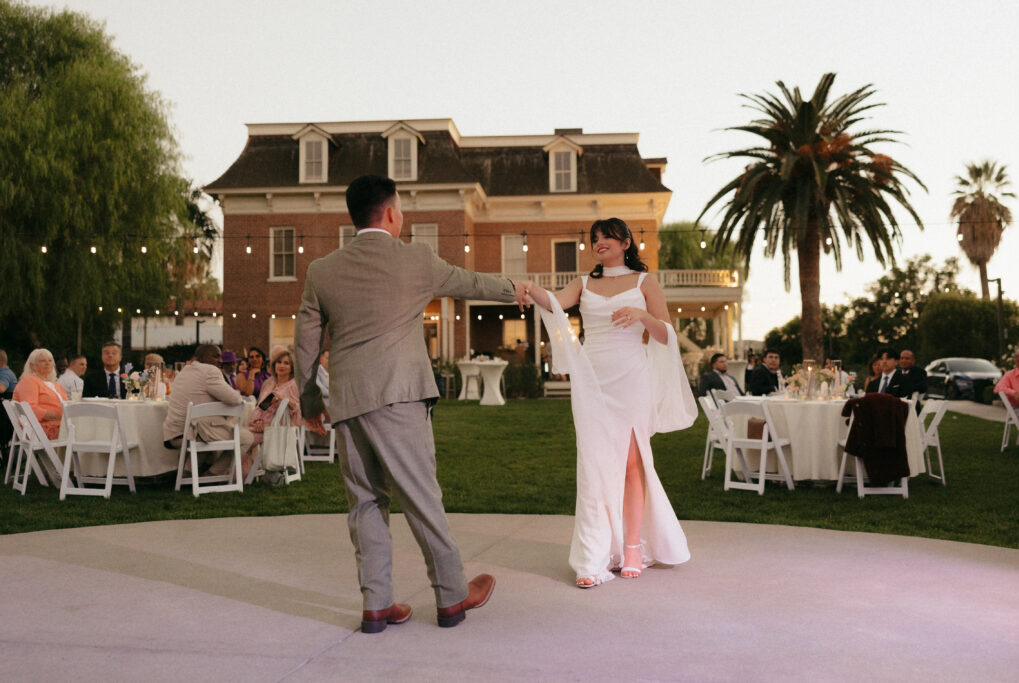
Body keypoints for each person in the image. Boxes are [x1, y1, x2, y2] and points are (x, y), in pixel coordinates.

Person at [294, 174, 530, 633]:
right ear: (389, 213)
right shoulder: (416, 259)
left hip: (348, 403)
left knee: (365, 503)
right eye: (400, 209)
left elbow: (306, 345)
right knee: (421, 498)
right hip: (399, 396)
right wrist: (514, 290)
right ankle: (452, 595)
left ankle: (376, 605)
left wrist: (310, 402)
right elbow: (469, 283)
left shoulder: (322, 271)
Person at [526, 217, 696, 589]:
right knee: (593, 463)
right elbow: (554, 302)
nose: (600, 241)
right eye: (595, 238)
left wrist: (643, 315)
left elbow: (667, 334)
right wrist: (526, 287)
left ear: (626, 242)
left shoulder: (645, 282)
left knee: (632, 463)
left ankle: (633, 548)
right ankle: (592, 557)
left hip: (632, 378)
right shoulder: (584, 283)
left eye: (607, 236)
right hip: (592, 380)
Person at [162, 344, 254, 476]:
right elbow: (235, 399)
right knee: (246, 438)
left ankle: (187, 474)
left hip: (174, 434)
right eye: (215, 356)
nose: (220, 360)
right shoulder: (210, 371)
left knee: (210, 434)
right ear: (201, 356)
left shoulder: (184, 371)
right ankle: (211, 475)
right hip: (193, 433)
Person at [242, 347, 302, 478]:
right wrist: (257, 421)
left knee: (241, 438)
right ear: (274, 366)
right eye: (279, 362)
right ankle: (238, 473)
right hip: (261, 427)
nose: (281, 366)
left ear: (292, 368)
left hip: (276, 429)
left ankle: (236, 475)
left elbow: (299, 410)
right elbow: (261, 408)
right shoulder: (271, 385)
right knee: (236, 434)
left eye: (286, 363)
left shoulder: (292, 385)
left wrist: (285, 400)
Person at [13, 348, 67, 439]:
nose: (47, 363)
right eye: (43, 361)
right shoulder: (29, 381)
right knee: (83, 430)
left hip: (60, 425)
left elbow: (67, 405)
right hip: (39, 429)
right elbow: (31, 409)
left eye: (50, 360)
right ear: (32, 365)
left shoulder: (55, 385)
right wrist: (60, 417)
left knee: (85, 425)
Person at [995, 348, 1019, 448]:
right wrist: (1014, 393)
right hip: (1018, 408)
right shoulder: (1010, 375)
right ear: (1015, 362)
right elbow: (998, 388)